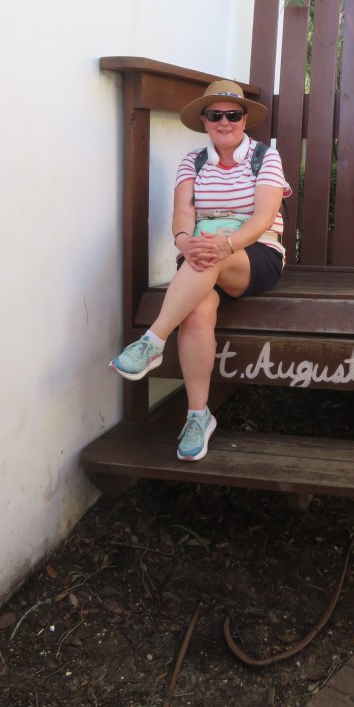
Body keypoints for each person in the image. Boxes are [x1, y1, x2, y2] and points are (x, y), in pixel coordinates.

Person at [109, 79, 291, 462]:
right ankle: (198, 415)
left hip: (251, 253)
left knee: (213, 252)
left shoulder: (265, 158)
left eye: (233, 114)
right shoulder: (192, 161)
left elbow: (263, 217)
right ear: (205, 121)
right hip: (199, 257)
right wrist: (183, 241)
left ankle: (153, 342)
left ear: (244, 120)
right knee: (196, 314)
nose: (224, 122)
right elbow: (183, 214)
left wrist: (225, 243)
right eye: (215, 115)